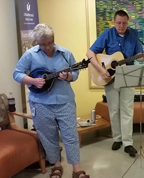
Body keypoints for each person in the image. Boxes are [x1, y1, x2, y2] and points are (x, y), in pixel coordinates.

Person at [13, 24, 89, 178]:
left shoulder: (65, 53)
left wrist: (68, 76)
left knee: (70, 136)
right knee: (48, 136)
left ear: (54, 39)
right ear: (37, 42)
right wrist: (33, 81)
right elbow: (17, 74)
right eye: (43, 44)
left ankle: (77, 170)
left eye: (50, 42)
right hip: (40, 103)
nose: (47, 47)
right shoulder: (30, 55)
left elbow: (75, 73)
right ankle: (56, 166)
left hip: (64, 102)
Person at [86, 10, 144, 157]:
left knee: (128, 109)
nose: (121, 26)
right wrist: (101, 70)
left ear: (128, 22)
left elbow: (139, 57)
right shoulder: (107, 34)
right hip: (109, 76)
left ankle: (128, 143)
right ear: (114, 22)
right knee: (114, 110)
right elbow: (90, 53)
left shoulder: (134, 34)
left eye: (124, 23)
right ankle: (117, 138)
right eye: (118, 23)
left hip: (128, 75)